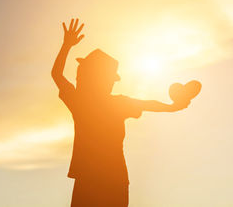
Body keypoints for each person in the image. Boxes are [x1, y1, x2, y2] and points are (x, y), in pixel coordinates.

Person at [51, 18, 191, 207]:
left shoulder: (82, 102)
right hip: (113, 180)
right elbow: (148, 104)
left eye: (82, 71)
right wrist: (173, 106)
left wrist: (66, 46)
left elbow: (57, 75)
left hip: (92, 179)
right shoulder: (115, 103)